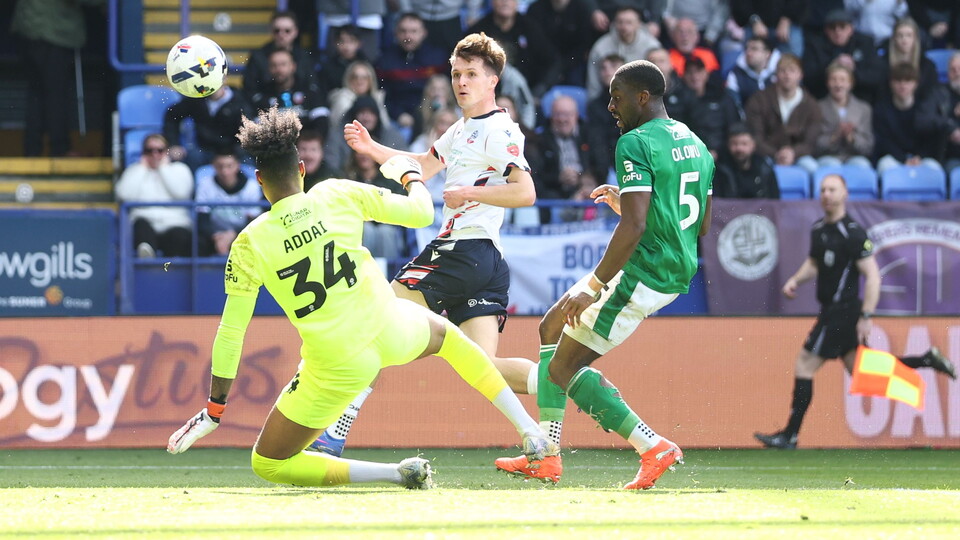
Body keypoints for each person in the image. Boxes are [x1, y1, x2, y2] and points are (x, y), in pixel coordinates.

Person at [166, 106, 555, 488]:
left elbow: (231, 333)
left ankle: (394, 473)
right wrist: (409, 174)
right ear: (301, 169)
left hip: (335, 365)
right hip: (391, 329)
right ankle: (529, 430)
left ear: (258, 180)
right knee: (452, 340)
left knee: (268, 463)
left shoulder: (248, 243)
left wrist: (215, 410)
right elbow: (421, 214)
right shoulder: (336, 192)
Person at [309, 32, 542, 457]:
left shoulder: (498, 129)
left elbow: (525, 192)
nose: (461, 82)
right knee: (484, 366)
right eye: (456, 73)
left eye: (472, 74)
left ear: (493, 81)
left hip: (463, 250)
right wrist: (372, 147)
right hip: (485, 262)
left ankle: (334, 433)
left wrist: (472, 194)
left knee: (375, 321)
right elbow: (422, 167)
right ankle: (565, 387)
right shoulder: (461, 129)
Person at [496, 59, 715, 488]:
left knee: (560, 370)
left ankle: (598, 451)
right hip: (671, 264)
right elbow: (701, 225)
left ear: (643, 97)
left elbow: (633, 226)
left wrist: (594, 286)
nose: (611, 107)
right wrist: (631, 203)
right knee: (551, 327)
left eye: (617, 98)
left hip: (645, 271)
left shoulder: (635, 142)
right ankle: (571, 452)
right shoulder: (695, 142)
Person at [754, 174, 955, 449]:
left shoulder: (853, 232)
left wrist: (866, 317)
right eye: (823, 189)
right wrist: (795, 280)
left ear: (844, 194)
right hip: (832, 310)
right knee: (862, 370)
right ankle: (926, 360)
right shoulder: (818, 229)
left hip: (842, 312)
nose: (826, 194)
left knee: (804, 364)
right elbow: (814, 263)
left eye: (832, 189)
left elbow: (873, 276)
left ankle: (790, 435)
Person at [114, 134, 194, 258]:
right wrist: (141, 168)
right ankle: (147, 259)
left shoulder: (180, 169)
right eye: (149, 151)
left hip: (174, 223)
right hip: (146, 223)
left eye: (160, 150)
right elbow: (124, 195)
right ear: (143, 152)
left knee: (180, 235)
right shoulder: (134, 171)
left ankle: (172, 270)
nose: (155, 154)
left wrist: (163, 168)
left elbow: (181, 193)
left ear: (166, 152)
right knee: (140, 226)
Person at [745, 54, 821, 173]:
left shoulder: (811, 105)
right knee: (760, 168)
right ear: (776, 74)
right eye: (782, 71)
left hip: (799, 156)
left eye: (792, 71)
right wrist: (776, 154)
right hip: (767, 154)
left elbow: (811, 141)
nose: (787, 75)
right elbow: (756, 136)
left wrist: (793, 153)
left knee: (812, 168)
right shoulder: (759, 99)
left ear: (800, 75)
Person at [468, 0, 561, 98]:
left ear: (517, 2)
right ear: (491, 2)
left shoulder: (530, 27)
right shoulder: (478, 32)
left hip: (528, 93)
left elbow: (553, 61)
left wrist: (540, 89)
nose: (505, 2)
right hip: (488, 95)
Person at [376, 13, 450, 134]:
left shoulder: (437, 58)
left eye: (414, 31)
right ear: (396, 33)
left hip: (432, 116)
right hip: (398, 119)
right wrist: (399, 115)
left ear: (424, 33)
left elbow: (447, 91)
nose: (408, 36)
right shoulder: (385, 61)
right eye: (403, 31)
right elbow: (383, 96)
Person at [872, 62, 946, 174]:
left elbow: (930, 139)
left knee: (935, 169)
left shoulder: (925, 109)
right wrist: (903, 159)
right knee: (885, 166)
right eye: (898, 81)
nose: (903, 85)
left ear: (915, 84)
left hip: (921, 159)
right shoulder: (881, 110)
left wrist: (919, 157)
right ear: (891, 83)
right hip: (893, 158)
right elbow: (883, 141)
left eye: (908, 81)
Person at [163, 84, 254, 171]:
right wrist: (174, 143)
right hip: (204, 151)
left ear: (224, 78)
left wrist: (232, 154)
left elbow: (247, 134)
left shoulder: (240, 101)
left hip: (233, 152)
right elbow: (172, 116)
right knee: (190, 158)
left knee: (248, 163)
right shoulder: (197, 99)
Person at [195, 148, 265, 256]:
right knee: (198, 241)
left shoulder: (252, 187)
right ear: (213, 166)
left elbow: (253, 222)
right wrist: (217, 237)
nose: (224, 171)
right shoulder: (205, 185)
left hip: (242, 233)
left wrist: (233, 235)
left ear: (237, 166)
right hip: (214, 236)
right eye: (220, 166)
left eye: (229, 166)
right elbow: (202, 221)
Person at [801, 9, 883, 102]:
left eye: (842, 26)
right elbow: (808, 78)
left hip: (860, 100)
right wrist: (833, 65)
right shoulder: (815, 45)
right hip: (824, 100)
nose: (837, 31)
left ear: (851, 29)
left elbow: (876, 77)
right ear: (826, 30)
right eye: (833, 27)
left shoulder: (865, 43)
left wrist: (853, 71)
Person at [587, 6, 661, 99]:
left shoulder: (652, 46)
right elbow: (594, 84)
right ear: (614, 24)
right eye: (620, 22)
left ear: (638, 24)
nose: (624, 27)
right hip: (609, 99)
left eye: (629, 22)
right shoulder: (601, 47)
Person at [250, 49, 330, 134]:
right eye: (274, 65)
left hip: (306, 143)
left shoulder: (309, 91)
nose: (278, 69)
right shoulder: (262, 96)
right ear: (269, 69)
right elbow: (259, 130)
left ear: (293, 66)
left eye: (283, 64)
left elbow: (322, 124)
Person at [813, 62, 874, 170]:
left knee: (862, 165)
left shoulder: (864, 109)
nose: (838, 84)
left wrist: (851, 138)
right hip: (828, 158)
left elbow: (868, 146)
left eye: (842, 80)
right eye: (834, 80)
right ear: (827, 83)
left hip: (854, 157)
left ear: (850, 83)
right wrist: (834, 136)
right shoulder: (818, 107)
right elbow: (814, 144)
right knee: (831, 166)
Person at [243, 11, 316, 100]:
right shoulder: (257, 56)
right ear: (271, 31)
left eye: (287, 31)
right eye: (277, 31)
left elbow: (311, 85)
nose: (281, 35)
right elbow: (249, 89)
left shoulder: (304, 56)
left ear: (296, 32)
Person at [679, 57, 742, 158]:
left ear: (706, 74)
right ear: (684, 76)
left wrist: (719, 151)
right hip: (689, 154)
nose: (694, 77)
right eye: (690, 73)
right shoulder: (678, 101)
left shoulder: (722, 97)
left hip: (723, 155)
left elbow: (734, 127)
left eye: (698, 72)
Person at [714, 123, 780, 198]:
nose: (739, 148)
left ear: (753, 145)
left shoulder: (765, 170)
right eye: (734, 144)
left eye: (744, 144)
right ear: (728, 145)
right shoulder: (720, 171)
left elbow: (774, 203)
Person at [725, 35, 781, 109]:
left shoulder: (780, 73)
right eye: (747, 48)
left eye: (754, 49)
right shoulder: (735, 74)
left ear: (767, 54)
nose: (748, 53)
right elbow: (733, 106)